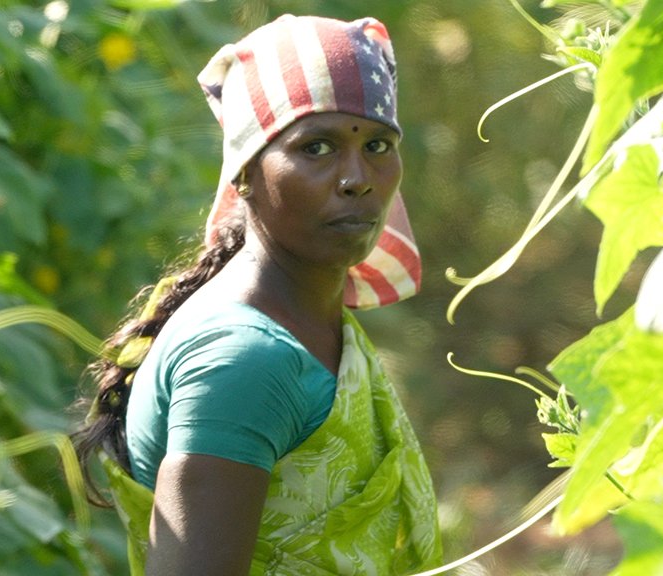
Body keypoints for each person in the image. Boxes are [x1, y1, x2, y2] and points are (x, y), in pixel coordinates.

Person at [74, 14, 441, 576]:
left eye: (377, 144)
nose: (357, 177)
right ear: (245, 173)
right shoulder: (245, 360)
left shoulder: (308, 321)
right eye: (316, 147)